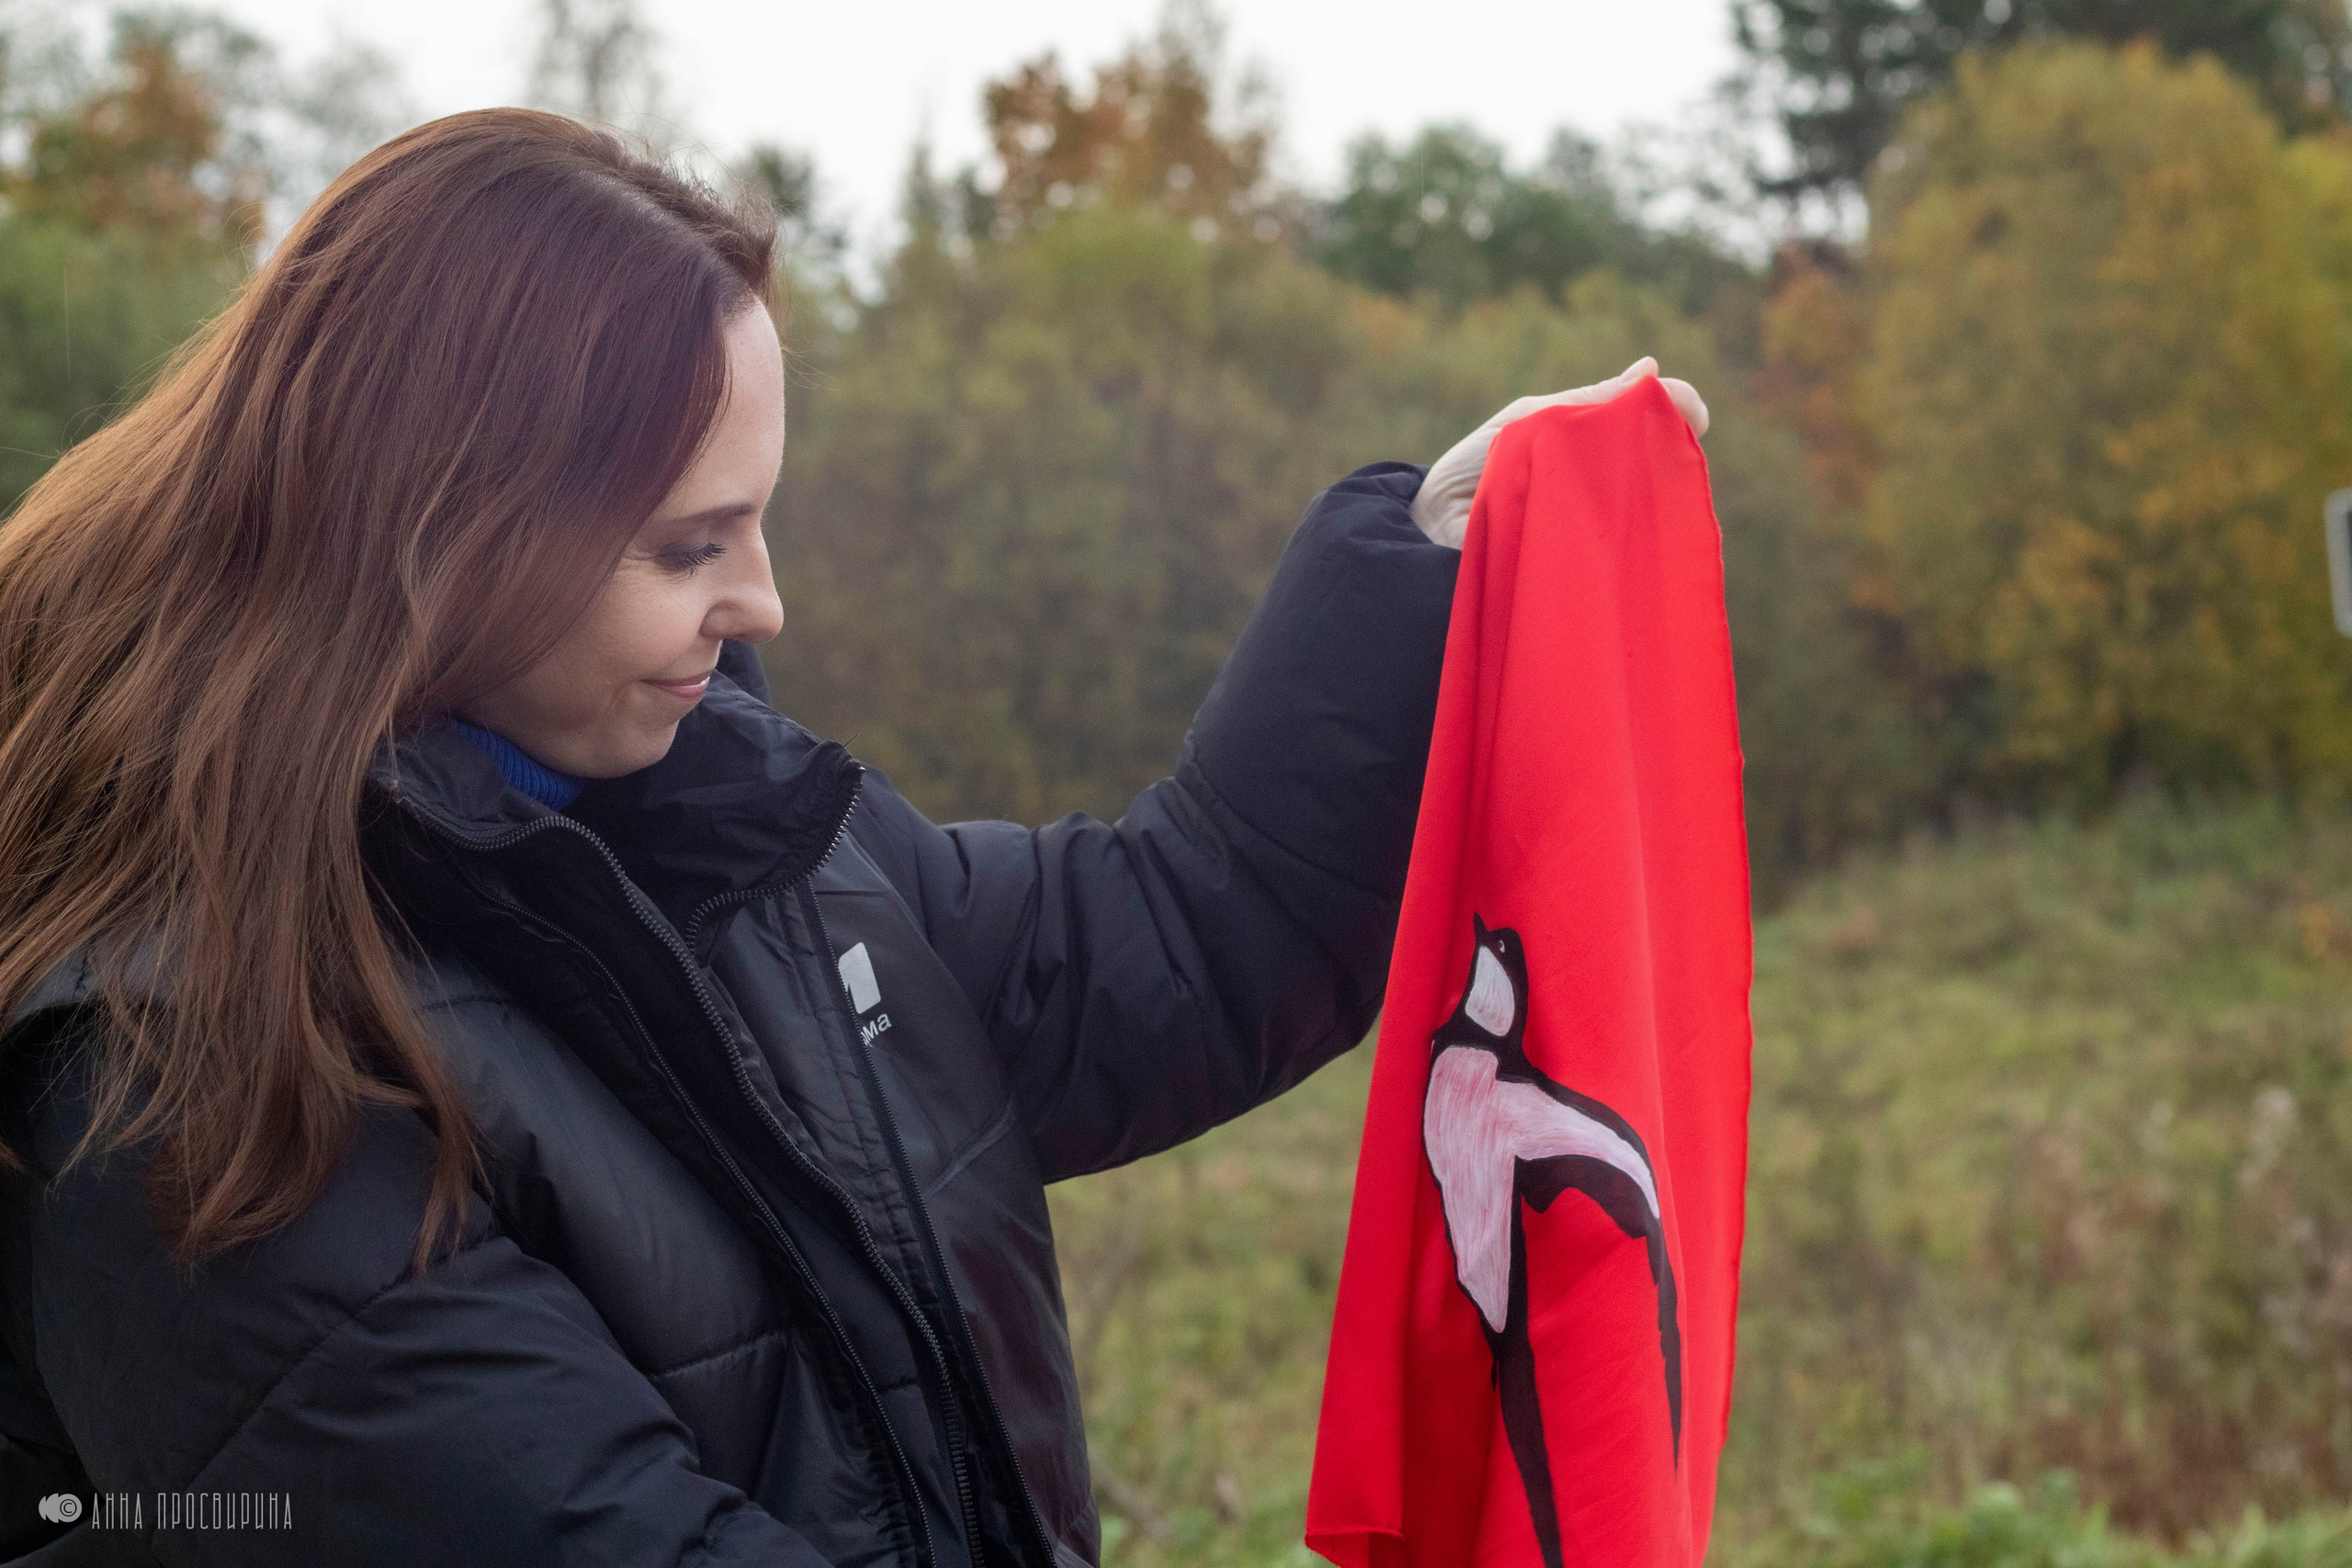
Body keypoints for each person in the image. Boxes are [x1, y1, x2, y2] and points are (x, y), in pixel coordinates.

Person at [0, 109, 1705, 1567]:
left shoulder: (722, 825)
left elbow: (1162, 947)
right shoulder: (191, 1078)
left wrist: (1416, 574)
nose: (764, 603)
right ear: (438, 540)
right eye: (691, 546)